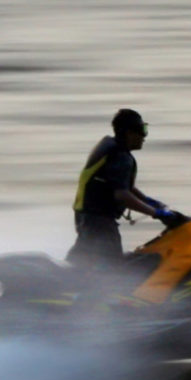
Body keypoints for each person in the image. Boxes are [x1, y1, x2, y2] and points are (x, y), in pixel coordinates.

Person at [68, 107, 182, 268]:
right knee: (113, 270)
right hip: (99, 222)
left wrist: (153, 203)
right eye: (142, 130)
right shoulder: (121, 157)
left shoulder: (110, 146)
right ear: (129, 133)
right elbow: (122, 195)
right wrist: (156, 213)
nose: (144, 136)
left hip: (85, 216)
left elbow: (126, 187)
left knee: (80, 263)